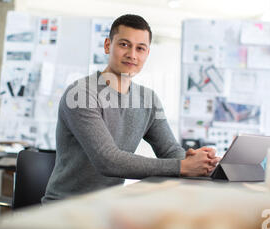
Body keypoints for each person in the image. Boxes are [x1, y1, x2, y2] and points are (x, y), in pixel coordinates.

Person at [42, 14, 220, 203]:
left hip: (107, 208)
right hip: (65, 207)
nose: (132, 55)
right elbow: (108, 161)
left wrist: (197, 160)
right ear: (107, 45)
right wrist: (182, 166)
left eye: (140, 48)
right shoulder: (81, 94)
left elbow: (169, 150)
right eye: (124, 45)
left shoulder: (148, 100)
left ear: (147, 54)